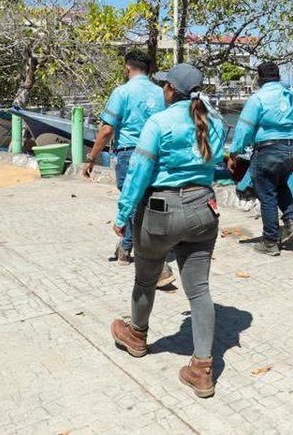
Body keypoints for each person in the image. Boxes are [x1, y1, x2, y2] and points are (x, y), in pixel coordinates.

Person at [109, 63, 227, 398]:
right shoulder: (213, 120)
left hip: (160, 210)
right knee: (200, 291)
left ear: (170, 90)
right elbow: (218, 152)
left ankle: (136, 336)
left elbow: (139, 172)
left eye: (165, 86)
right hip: (204, 207)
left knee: (146, 278)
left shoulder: (158, 122)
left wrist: (122, 214)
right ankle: (202, 369)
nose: (162, 90)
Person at [82, 50, 168, 278]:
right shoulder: (161, 93)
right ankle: (127, 247)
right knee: (148, 202)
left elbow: (107, 129)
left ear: (127, 68)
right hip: (157, 154)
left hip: (130, 154)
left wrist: (91, 158)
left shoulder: (122, 92)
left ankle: (141, 253)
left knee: (131, 202)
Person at [226, 62, 293, 256]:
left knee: (266, 194)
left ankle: (270, 241)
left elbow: (244, 128)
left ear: (259, 78)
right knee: (281, 183)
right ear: (278, 76)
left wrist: (233, 154)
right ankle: (290, 221)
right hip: (291, 148)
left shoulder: (257, 98)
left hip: (267, 150)